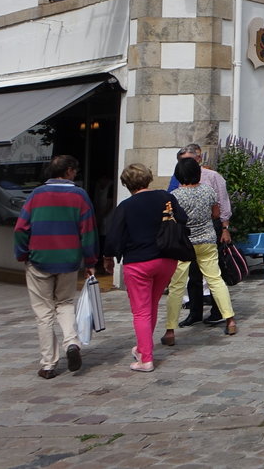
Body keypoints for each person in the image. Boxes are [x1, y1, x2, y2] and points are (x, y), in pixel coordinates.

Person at [13, 154, 98, 379]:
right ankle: (71, 342)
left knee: (44, 312)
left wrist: (22, 254)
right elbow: (88, 231)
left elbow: (21, 228)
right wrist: (90, 261)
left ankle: (48, 363)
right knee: (65, 302)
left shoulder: (35, 195)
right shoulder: (80, 196)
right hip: (68, 260)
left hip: (39, 260)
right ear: (69, 171)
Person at [102, 163, 186, 371]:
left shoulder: (126, 206)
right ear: (148, 178)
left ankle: (145, 358)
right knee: (152, 305)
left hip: (138, 262)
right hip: (166, 259)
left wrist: (108, 257)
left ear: (126, 183)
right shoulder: (166, 197)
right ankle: (142, 346)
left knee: (141, 311)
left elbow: (113, 236)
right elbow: (183, 220)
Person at [161, 157, 237, 344]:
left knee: (177, 286)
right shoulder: (208, 190)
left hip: (184, 244)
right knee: (215, 280)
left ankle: (170, 330)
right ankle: (230, 320)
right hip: (207, 241)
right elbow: (216, 214)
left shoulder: (176, 196)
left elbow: (172, 220)